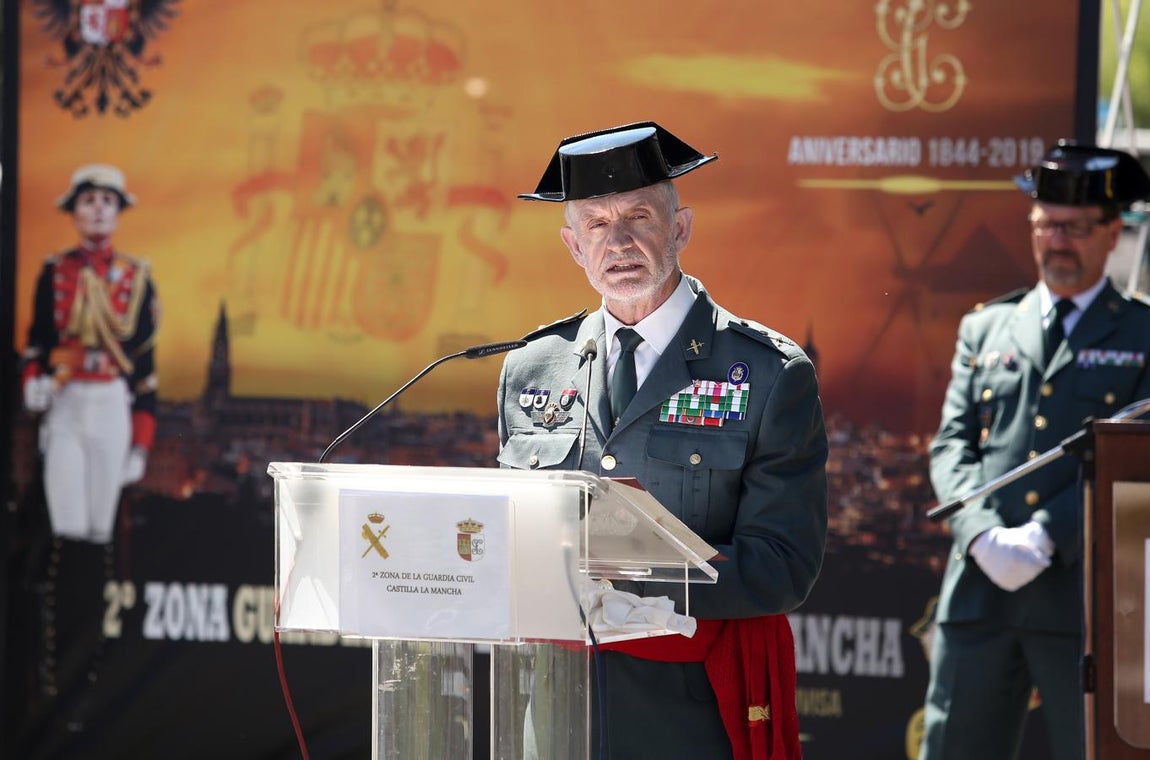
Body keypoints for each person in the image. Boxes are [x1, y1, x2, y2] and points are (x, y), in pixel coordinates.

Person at [497, 121, 828, 759]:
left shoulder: (768, 372)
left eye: (639, 217)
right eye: (596, 224)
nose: (617, 242)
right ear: (573, 246)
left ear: (679, 229)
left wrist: (631, 582)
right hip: (558, 698)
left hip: (692, 706)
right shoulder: (532, 367)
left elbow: (782, 566)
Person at [921, 141, 1150, 760]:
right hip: (981, 591)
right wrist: (979, 533)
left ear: (1113, 234)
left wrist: (1049, 533)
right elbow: (952, 445)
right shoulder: (987, 327)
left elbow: (1138, 462)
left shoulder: (1142, 334)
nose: (1058, 242)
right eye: (1047, 225)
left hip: (1086, 601)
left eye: (1076, 228)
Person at [20, 164, 159, 544]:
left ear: (117, 212)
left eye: (107, 200)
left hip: (111, 403)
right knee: (66, 524)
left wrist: (140, 447)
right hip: (66, 399)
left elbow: (145, 372)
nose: (98, 208)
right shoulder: (54, 272)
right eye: (89, 200)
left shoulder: (136, 278)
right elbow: (37, 345)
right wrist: (32, 382)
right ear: (74, 212)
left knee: (100, 528)